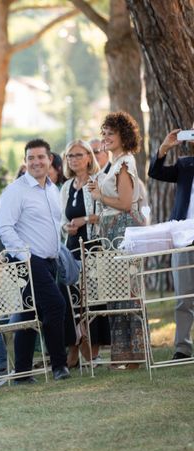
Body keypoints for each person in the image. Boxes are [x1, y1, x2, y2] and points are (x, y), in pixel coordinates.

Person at [0, 138, 69, 382]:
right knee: (56, 306)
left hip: (51, 261)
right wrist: (26, 255)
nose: (36, 162)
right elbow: (4, 228)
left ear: (50, 160)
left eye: (40, 157)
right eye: (31, 158)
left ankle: (22, 373)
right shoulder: (16, 190)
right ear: (25, 162)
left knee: (29, 314)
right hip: (29, 262)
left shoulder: (52, 189)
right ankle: (59, 366)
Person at [88, 111, 146, 369]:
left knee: (128, 294)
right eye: (105, 133)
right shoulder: (112, 163)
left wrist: (100, 196)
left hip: (122, 231)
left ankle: (135, 356)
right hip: (109, 231)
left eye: (111, 133)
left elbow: (124, 202)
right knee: (115, 294)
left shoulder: (125, 163)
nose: (106, 137)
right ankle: (121, 356)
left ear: (124, 135)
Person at [59, 140, 109, 367]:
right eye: (70, 156)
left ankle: (94, 354)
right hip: (71, 249)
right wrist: (66, 227)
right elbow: (61, 219)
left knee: (93, 301)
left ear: (89, 157)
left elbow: (108, 213)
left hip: (93, 246)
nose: (74, 159)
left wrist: (85, 220)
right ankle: (74, 348)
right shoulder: (66, 187)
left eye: (78, 155)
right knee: (71, 299)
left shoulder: (97, 182)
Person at [148, 126, 194, 361]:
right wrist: (164, 147)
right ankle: (182, 348)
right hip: (184, 238)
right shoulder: (186, 164)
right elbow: (155, 172)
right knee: (184, 296)